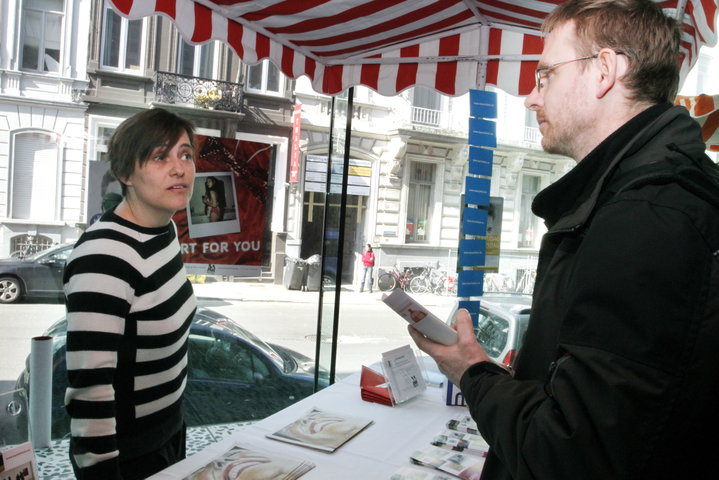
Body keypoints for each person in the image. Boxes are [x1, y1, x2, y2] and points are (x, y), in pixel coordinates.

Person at [409, 1, 719, 479]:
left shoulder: (643, 217)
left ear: (604, 71)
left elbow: (572, 450)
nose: (531, 98)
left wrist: (470, 371)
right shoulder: (655, 194)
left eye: (545, 75)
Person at [63, 108, 197, 479]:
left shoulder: (164, 229)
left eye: (185, 154)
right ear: (125, 174)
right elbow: (90, 389)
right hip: (126, 455)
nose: (179, 168)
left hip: (169, 433)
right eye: (159, 156)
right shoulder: (104, 255)